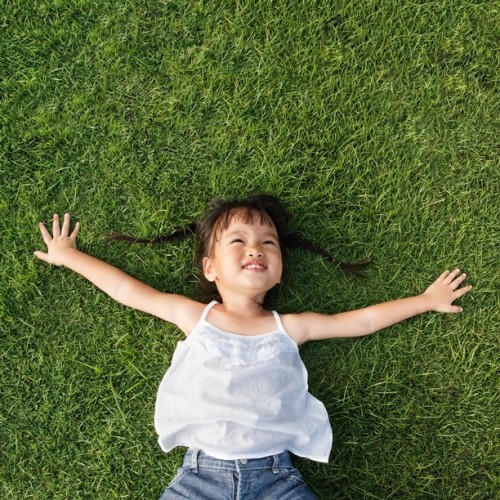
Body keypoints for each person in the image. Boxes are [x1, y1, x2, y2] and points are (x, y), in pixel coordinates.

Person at [34, 194, 472, 499]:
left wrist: (425, 301)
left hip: (276, 479)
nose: (254, 249)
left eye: (268, 243)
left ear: (279, 272)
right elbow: (127, 289)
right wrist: (68, 255)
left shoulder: (290, 327)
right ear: (210, 268)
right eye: (237, 241)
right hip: (199, 480)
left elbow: (361, 320)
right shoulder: (196, 317)